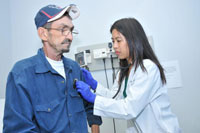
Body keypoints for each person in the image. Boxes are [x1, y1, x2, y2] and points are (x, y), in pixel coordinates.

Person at [3, 4, 102, 133]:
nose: (70, 37)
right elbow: (17, 130)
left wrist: (95, 128)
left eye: (71, 30)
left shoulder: (75, 69)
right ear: (43, 33)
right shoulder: (22, 74)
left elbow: (90, 106)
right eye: (63, 30)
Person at [75, 18, 181, 133]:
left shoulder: (148, 68)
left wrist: (93, 98)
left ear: (133, 40)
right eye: (113, 41)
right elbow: (115, 99)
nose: (114, 46)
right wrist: (95, 85)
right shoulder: (123, 71)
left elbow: (129, 108)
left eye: (118, 40)